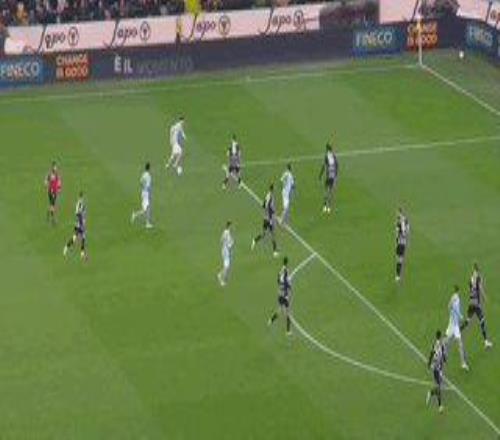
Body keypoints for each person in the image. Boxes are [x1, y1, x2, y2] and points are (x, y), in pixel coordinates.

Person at [460, 264, 493, 349]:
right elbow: (480, 288)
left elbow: (471, 289)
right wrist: (484, 297)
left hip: (471, 303)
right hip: (476, 304)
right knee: (482, 321)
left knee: (467, 321)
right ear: (478, 270)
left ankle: (457, 332)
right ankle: (486, 342)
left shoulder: (471, 278)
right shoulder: (478, 277)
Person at [445, 286, 469, 370]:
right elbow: (449, 307)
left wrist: (458, 315)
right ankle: (439, 354)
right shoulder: (455, 298)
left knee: (459, 343)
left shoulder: (456, 298)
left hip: (455, 326)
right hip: (452, 325)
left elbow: (451, 308)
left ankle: (463, 363)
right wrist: (458, 315)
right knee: (446, 341)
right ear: (458, 291)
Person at [251, 184, 278, 257]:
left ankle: (254, 240)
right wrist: (272, 215)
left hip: (265, 218)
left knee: (264, 234)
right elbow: (269, 207)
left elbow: (263, 205)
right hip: (269, 219)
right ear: (272, 189)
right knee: (273, 235)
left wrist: (268, 211)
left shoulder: (267, 195)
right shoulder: (271, 196)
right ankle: (275, 252)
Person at [268, 257, 292, 336]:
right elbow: (287, 283)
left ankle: (271, 320)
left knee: (279, 311)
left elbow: (278, 280)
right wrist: (288, 292)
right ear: (287, 262)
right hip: (284, 295)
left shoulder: (280, 270)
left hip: (280, 294)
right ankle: (288, 331)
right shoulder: (286, 271)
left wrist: (281, 286)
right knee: (287, 313)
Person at [426, 330, 446, 413]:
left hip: (438, 367)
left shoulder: (435, 344)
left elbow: (432, 354)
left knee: (439, 386)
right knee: (438, 386)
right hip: (437, 368)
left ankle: (431, 393)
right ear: (440, 336)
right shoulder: (440, 344)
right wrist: (444, 359)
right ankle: (440, 406)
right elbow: (442, 353)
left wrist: (429, 363)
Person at [63, 191, 87, 260]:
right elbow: (78, 214)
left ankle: (66, 249)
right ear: (81, 197)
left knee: (78, 239)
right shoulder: (80, 204)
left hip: (79, 224)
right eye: (82, 197)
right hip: (80, 225)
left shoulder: (80, 203)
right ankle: (81, 254)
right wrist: (82, 224)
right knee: (80, 238)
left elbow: (79, 213)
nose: (83, 198)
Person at [131, 162, 153, 229]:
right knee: (147, 209)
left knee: (145, 209)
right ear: (149, 168)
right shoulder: (148, 176)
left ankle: (135, 215)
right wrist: (149, 192)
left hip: (143, 192)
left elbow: (140, 182)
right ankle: (147, 223)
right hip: (146, 193)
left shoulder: (144, 174)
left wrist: (143, 187)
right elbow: (148, 186)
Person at [318, 141, 338, 214]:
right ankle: (329, 207)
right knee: (330, 191)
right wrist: (336, 175)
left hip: (328, 175)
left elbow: (324, 166)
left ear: (326, 149)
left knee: (326, 191)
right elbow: (337, 165)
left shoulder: (326, 156)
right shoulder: (333, 155)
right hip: (333, 175)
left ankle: (324, 206)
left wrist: (320, 175)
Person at [395, 208, 410, 282]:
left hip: (400, 242)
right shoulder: (406, 221)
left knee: (399, 259)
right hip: (403, 242)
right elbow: (407, 231)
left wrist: (398, 238)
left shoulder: (399, 222)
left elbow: (398, 233)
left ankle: (398, 276)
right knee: (400, 259)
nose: (397, 214)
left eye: (398, 213)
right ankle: (398, 275)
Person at [217, 221, 234, 287]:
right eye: (231, 226)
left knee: (227, 267)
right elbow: (230, 245)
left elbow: (221, 240)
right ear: (229, 226)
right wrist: (230, 243)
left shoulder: (224, 232)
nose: (232, 227)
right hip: (226, 252)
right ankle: (221, 278)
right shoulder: (228, 234)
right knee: (227, 267)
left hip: (224, 251)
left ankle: (224, 278)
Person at [45, 161, 62, 225]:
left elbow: (59, 182)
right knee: (53, 205)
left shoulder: (57, 174)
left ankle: (49, 213)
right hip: (51, 192)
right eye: (54, 167)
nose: (55, 168)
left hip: (55, 191)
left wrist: (59, 189)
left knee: (52, 205)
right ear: (52, 167)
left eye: (56, 167)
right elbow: (45, 181)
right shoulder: (50, 174)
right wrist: (48, 186)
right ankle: (53, 220)